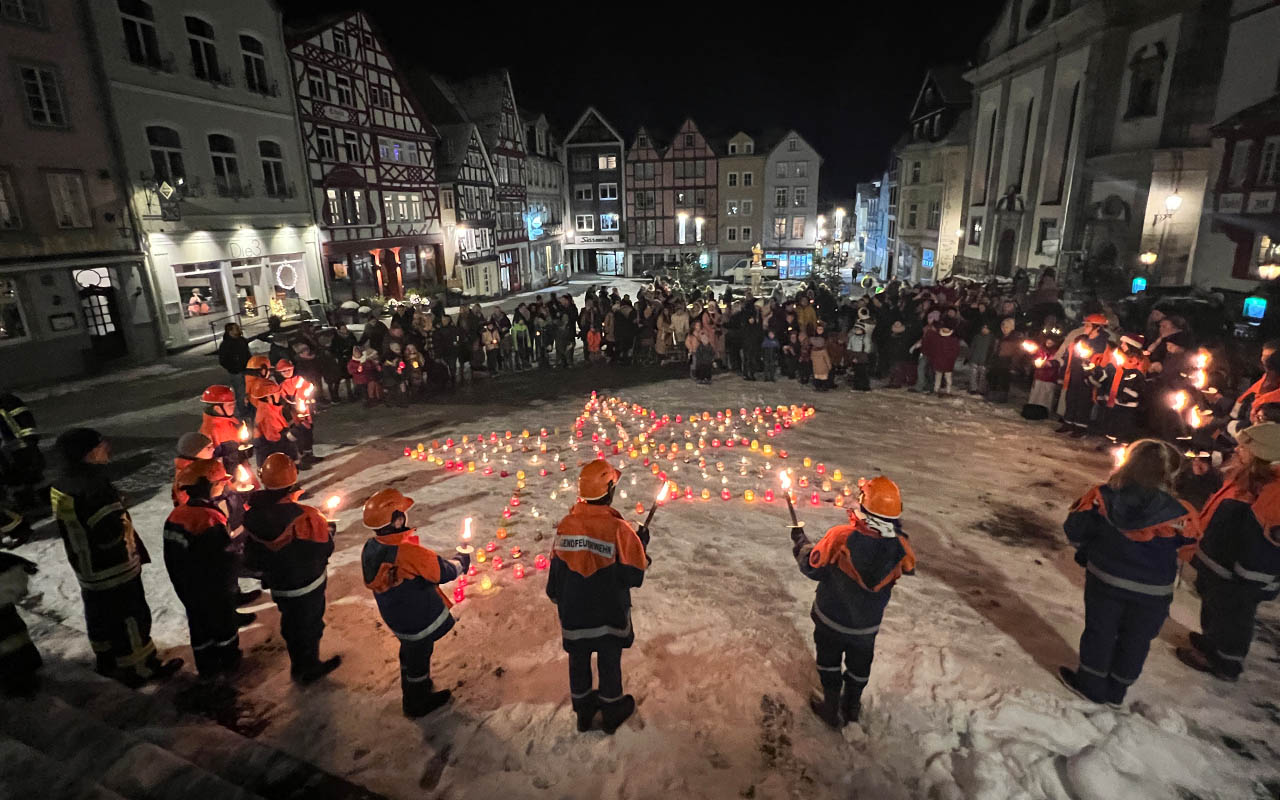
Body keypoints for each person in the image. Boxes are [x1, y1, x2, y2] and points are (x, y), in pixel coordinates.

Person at [1060, 439, 1201, 707]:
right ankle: (1117, 689)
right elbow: (1189, 547)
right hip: (1153, 591)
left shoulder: (1102, 496)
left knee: (1100, 631)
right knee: (1136, 639)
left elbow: (1075, 529)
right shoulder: (1182, 512)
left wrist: (1089, 550)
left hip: (1106, 579)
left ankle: (1091, 684)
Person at [50, 428, 182, 686]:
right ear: (87, 454)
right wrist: (117, 515)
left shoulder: (62, 483)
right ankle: (141, 666)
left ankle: (107, 658)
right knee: (130, 616)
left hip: (85, 566)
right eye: (100, 446)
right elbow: (106, 531)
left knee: (100, 615)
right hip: (113, 566)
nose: (106, 450)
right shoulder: (95, 486)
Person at [790, 476, 916, 728]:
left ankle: (830, 706)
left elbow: (813, 566)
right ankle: (852, 706)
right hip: (866, 627)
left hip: (831, 621)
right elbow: (904, 568)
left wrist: (801, 543)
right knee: (860, 665)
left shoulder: (841, 538)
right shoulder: (901, 547)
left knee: (829, 662)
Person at [546, 460, 651, 734]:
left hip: (574, 613)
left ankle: (583, 710)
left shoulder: (567, 524)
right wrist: (641, 546)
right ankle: (612, 707)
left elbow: (556, 570)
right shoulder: (618, 529)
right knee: (608, 659)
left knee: (578, 659)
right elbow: (633, 576)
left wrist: (557, 596)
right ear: (609, 491)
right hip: (608, 615)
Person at [1177, 423, 1280, 681]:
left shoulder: (1273, 491)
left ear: (1263, 453)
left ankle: (1226, 660)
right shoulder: (1248, 474)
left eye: (1245, 446)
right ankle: (1212, 641)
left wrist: (1248, 577)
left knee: (1234, 614)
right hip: (1220, 558)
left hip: (1241, 572)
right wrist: (1205, 474)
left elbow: (1266, 541)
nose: (1238, 449)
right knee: (1214, 601)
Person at [361, 489, 467, 717]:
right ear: (398, 519)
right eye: (402, 514)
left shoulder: (371, 548)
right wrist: (460, 562)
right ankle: (417, 701)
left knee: (409, 652)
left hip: (396, 617)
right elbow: (441, 571)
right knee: (419, 655)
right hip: (418, 618)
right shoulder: (407, 553)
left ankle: (412, 685)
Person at [243, 453, 341, 684]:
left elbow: (253, 555)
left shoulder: (253, 514)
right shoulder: (306, 517)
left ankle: (299, 662)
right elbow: (324, 548)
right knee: (309, 624)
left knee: (292, 622)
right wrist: (327, 531)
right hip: (307, 584)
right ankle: (309, 667)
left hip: (280, 584)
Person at [164, 459, 242, 678]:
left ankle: (206, 665)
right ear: (208, 485)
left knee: (199, 627)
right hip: (213, 590)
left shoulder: (177, 514)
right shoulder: (208, 518)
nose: (222, 486)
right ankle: (229, 660)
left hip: (187, 588)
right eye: (219, 483)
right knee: (223, 624)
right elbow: (222, 559)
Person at [1057, 314, 1111, 437]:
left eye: (1088, 325)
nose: (1085, 328)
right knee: (1071, 398)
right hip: (1075, 373)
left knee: (1084, 402)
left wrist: (1091, 368)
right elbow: (1070, 354)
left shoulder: (1102, 344)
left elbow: (1104, 363)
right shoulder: (1081, 339)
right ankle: (1068, 423)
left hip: (1088, 377)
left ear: (1097, 328)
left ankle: (1080, 427)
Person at [0, 551, 41, 696]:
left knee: (7, 640)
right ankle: (28, 664)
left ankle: (18, 680)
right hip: (12, 571)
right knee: (12, 630)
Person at [0, 390, 44, 512]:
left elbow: (26, 423)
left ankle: (32, 504)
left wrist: (31, 442)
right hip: (9, 454)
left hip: (21, 449)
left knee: (28, 477)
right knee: (13, 481)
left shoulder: (8, 401)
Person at [199, 385, 246, 472]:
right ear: (217, 408)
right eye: (230, 405)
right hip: (229, 475)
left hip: (238, 468)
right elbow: (215, 462)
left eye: (233, 404)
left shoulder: (228, 421)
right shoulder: (211, 430)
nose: (233, 407)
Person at [251, 380, 297, 468]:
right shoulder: (267, 414)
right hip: (272, 457)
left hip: (271, 455)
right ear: (269, 397)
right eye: (276, 393)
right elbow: (274, 438)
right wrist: (292, 434)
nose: (279, 395)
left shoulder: (268, 408)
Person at [217, 323, 252, 415]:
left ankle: (250, 407)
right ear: (230, 331)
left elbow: (247, 354)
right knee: (240, 392)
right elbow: (223, 360)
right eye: (236, 328)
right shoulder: (226, 344)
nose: (238, 329)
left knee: (249, 390)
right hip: (236, 373)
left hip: (247, 369)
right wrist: (234, 368)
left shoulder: (242, 340)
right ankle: (242, 411)